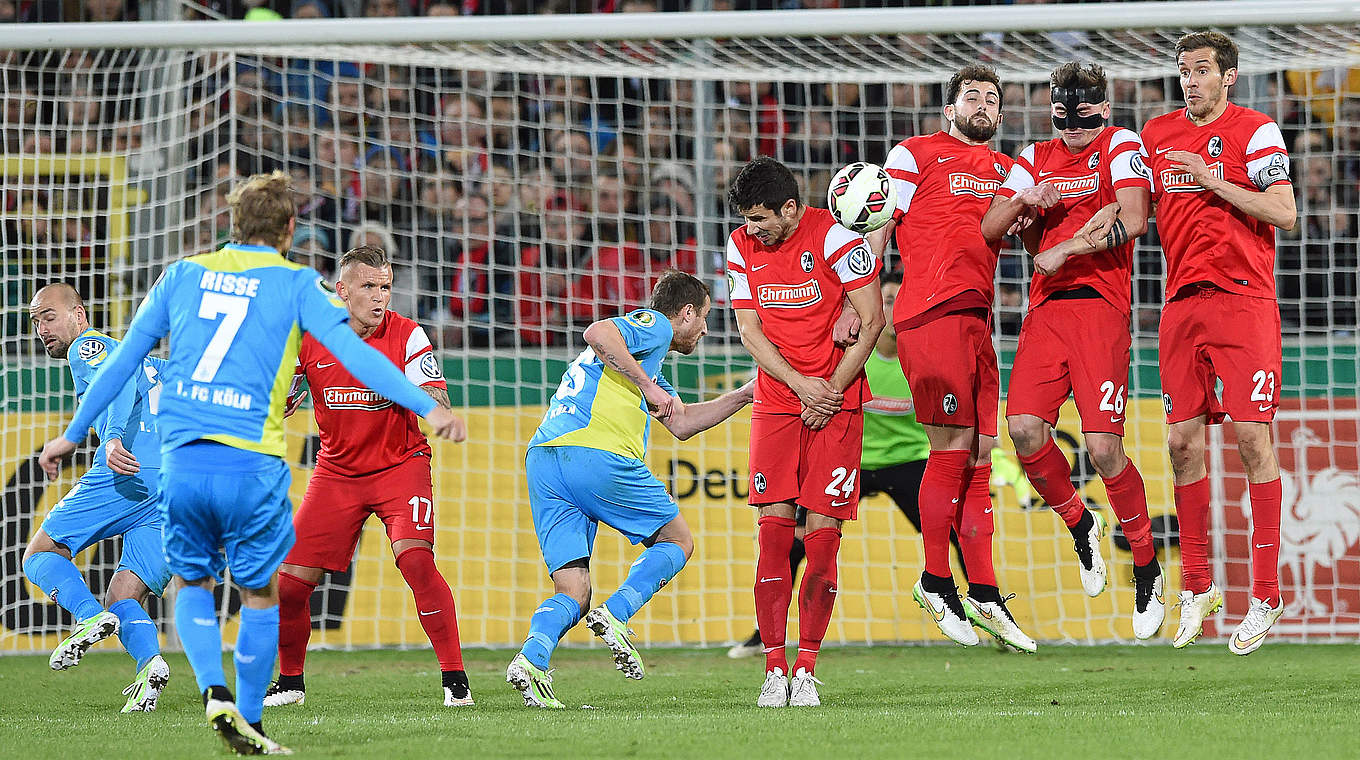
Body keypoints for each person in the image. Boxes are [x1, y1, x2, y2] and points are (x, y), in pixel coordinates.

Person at [38, 170, 465, 756]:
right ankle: (251, 716)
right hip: (251, 459)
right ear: (289, 228)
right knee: (261, 592)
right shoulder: (298, 285)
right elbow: (358, 357)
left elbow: (122, 362)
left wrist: (72, 435)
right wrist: (428, 406)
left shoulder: (181, 275)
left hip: (185, 456)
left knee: (192, 582)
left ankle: (213, 691)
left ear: (232, 222)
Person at [507, 270, 753, 709]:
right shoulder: (655, 326)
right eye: (704, 318)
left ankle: (531, 660)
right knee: (677, 539)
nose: (705, 330)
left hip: (545, 458)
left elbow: (681, 423)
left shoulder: (642, 363)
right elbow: (597, 331)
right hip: (593, 452)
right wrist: (646, 385)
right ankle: (617, 614)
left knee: (573, 591)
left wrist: (745, 394)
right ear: (687, 312)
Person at [978, 61, 1164, 640]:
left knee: (1105, 448)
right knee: (1024, 431)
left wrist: (1067, 247)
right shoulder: (1033, 157)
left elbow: (1134, 218)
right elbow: (991, 229)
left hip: (1101, 310)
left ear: (1103, 108)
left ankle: (1146, 567)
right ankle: (1080, 524)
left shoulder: (1121, 145)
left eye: (1085, 114)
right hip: (1045, 312)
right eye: (1064, 115)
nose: (1075, 126)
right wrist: (1024, 201)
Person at [869, 63, 1036, 653]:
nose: (983, 105)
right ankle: (937, 580)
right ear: (950, 108)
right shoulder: (913, 154)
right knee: (951, 446)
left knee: (982, 452)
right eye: (972, 97)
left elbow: (1023, 234)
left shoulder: (1009, 170)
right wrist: (860, 301)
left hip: (977, 319)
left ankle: (985, 592)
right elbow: (878, 226)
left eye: (992, 98)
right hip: (929, 312)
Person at [1140, 31, 1295, 654]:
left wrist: (1210, 178)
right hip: (1182, 304)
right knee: (1181, 442)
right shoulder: (1156, 135)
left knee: (1252, 439)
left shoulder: (1256, 131)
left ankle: (1265, 594)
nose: (1190, 80)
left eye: (1202, 70)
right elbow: (1135, 210)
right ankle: (1198, 587)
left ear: (1228, 76)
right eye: (1184, 70)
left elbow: (1284, 212)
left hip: (1244, 301)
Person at [263, 245, 470, 710]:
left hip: (401, 467)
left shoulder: (408, 335)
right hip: (336, 473)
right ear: (342, 290)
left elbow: (438, 397)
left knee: (416, 562)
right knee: (290, 583)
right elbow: (279, 399)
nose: (380, 297)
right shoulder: (310, 338)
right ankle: (290, 683)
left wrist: (427, 403)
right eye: (369, 287)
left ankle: (455, 679)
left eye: (386, 287)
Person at [725, 269, 965, 660]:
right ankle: (764, 634)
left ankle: (980, 606)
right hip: (851, 458)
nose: (892, 308)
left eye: (898, 300)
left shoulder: (920, 361)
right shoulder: (852, 353)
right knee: (795, 539)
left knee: (950, 528)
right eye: (886, 299)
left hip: (907, 460)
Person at [727, 156, 884, 708]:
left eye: (760, 218)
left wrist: (832, 390)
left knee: (822, 537)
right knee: (773, 535)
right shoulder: (740, 246)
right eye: (746, 219)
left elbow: (873, 319)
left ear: (790, 209)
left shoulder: (836, 238)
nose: (752, 229)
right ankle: (774, 668)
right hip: (778, 402)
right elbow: (748, 330)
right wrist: (801, 386)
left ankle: (806, 669)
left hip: (836, 405)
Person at [23, 283, 171, 713]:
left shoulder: (88, 346)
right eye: (35, 321)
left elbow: (116, 380)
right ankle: (150, 667)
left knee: (40, 554)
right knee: (123, 594)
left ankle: (88, 618)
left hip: (128, 472)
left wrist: (112, 438)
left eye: (49, 316)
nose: (42, 329)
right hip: (174, 489)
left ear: (79, 315)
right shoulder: (155, 364)